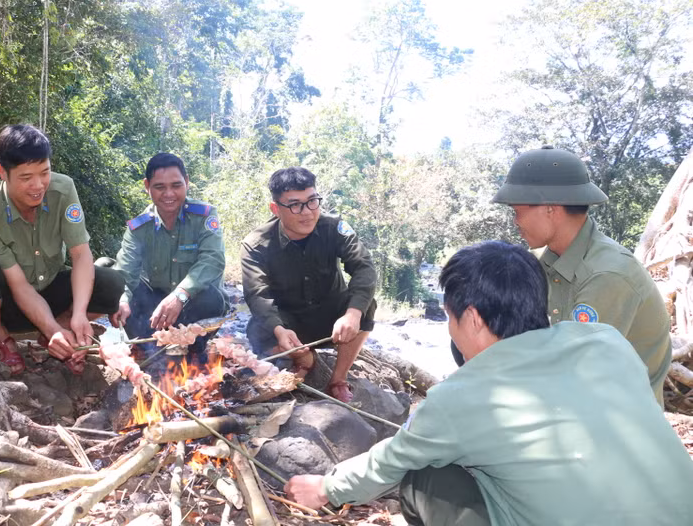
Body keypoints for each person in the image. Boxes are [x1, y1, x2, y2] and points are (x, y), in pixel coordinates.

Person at [285, 241, 693, 526]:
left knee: (425, 477)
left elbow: (390, 462)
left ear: (474, 318)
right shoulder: (605, 340)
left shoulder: (463, 397)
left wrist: (325, 488)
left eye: (449, 316)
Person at [482, 145, 671, 406]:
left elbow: (571, 373)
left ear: (550, 208)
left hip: (618, 425)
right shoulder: (540, 263)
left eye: (517, 212)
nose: (515, 222)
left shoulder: (608, 275)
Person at [0, 124, 124, 376]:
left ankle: (64, 333)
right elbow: (20, 286)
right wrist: (50, 328)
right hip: (11, 304)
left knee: (112, 282)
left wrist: (79, 314)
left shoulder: (63, 190)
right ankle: (4, 341)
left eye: (44, 173)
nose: (38, 186)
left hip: (54, 290)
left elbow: (80, 254)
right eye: (26, 177)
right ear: (2, 171)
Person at [241, 167, 377, 402]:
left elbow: (364, 267)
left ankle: (338, 380)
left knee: (365, 305)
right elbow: (257, 294)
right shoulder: (256, 244)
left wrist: (352, 315)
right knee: (257, 328)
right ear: (276, 209)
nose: (307, 213)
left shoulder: (334, 228)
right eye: (295, 205)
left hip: (333, 320)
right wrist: (279, 330)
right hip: (289, 325)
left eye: (312, 201)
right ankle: (306, 360)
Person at [110, 153, 228, 359]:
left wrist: (180, 295)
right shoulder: (139, 227)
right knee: (118, 288)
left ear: (187, 182)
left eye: (176, 185)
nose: (169, 194)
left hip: (193, 306)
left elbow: (213, 260)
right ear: (147, 186)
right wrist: (121, 300)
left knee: (211, 297)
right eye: (159, 187)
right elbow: (125, 273)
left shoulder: (204, 216)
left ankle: (194, 349)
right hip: (156, 312)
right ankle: (148, 351)